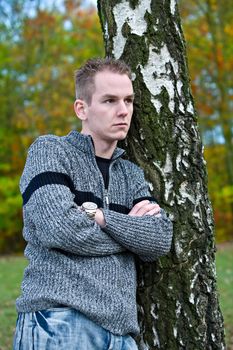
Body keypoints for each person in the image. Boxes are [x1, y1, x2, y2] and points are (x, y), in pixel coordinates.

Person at [13, 58, 173, 350]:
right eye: (110, 100)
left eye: (128, 100)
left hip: (121, 335)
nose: (123, 111)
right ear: (81, 109)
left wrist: (99, 217)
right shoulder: (50, 151)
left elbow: (159, 239)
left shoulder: (131, 174)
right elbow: (59, 228)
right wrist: (130, 235)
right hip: (60, 323)